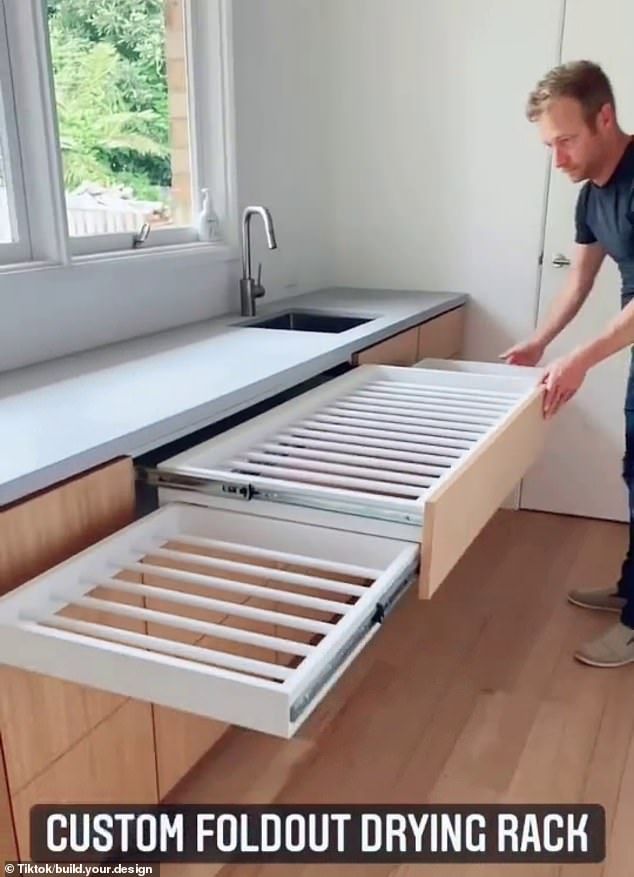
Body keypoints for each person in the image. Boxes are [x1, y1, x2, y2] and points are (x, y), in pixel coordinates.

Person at [501, 60, 634, 668]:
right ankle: (632, 590)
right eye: (549, 146)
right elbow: (578, 282)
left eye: (567, 140)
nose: (558, 160)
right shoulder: (592, 194)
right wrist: (540, 342)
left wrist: (580, 359)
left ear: (604, 117)